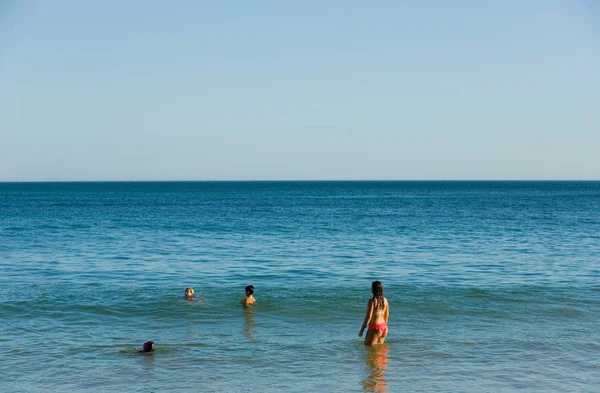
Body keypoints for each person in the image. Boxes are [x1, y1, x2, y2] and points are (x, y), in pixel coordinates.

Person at [358, 281, 389, 346]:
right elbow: (387, 314)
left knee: (369, 348)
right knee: (380, 351)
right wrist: (383, 326)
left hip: (375, 328)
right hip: (384, 327)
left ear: (372, 289)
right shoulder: (385, 300)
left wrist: (362, 329)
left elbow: (368, 316)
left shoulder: (372, 301)